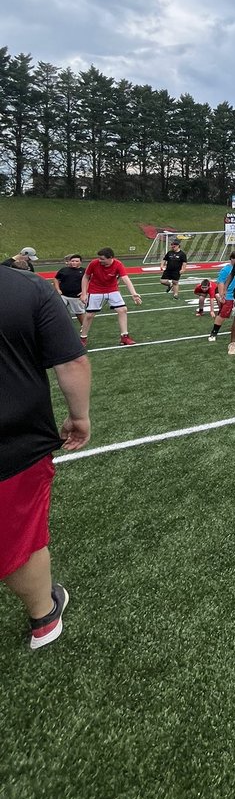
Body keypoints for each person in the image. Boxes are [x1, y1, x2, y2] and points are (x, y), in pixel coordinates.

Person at [0, 265, 91, 649]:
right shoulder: (28, 288)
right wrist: (79, 417)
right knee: (18, 536)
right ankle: (44, 616)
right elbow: (71, 361)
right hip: (13, 442)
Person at [80, 248, 142, 346]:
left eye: (102, 259)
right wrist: (84, 293)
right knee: (89, 315)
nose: (100, 261)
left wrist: (134, 294)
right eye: (99, 258)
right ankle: (83, 339)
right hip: (95, 290)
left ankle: (124, 337)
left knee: (122, 310)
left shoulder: (118, 264)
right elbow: (86, 277)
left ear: (110, 258)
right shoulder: (94, 263)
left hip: (112, 290)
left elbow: (125, 279)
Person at [208, 251, 235, 341]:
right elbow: (220, 282)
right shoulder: (226, 270)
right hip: (229, 295)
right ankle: (214, 333)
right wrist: (222, 295)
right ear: (231, 259)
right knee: (223, 314)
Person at [52, 254, 86, 330]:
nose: (74, 263)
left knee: (79, 313)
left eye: (76, 261)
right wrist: (57, 289)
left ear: (80, 262)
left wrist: (84, 292)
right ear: (69, 261)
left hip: (76, 296)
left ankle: (84, 327)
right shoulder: (64, 270)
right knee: (58, 310)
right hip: (63, 295)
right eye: (72, 261)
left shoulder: (84, 271)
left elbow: (90, 281)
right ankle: (58, 327)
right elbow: (56, 279)